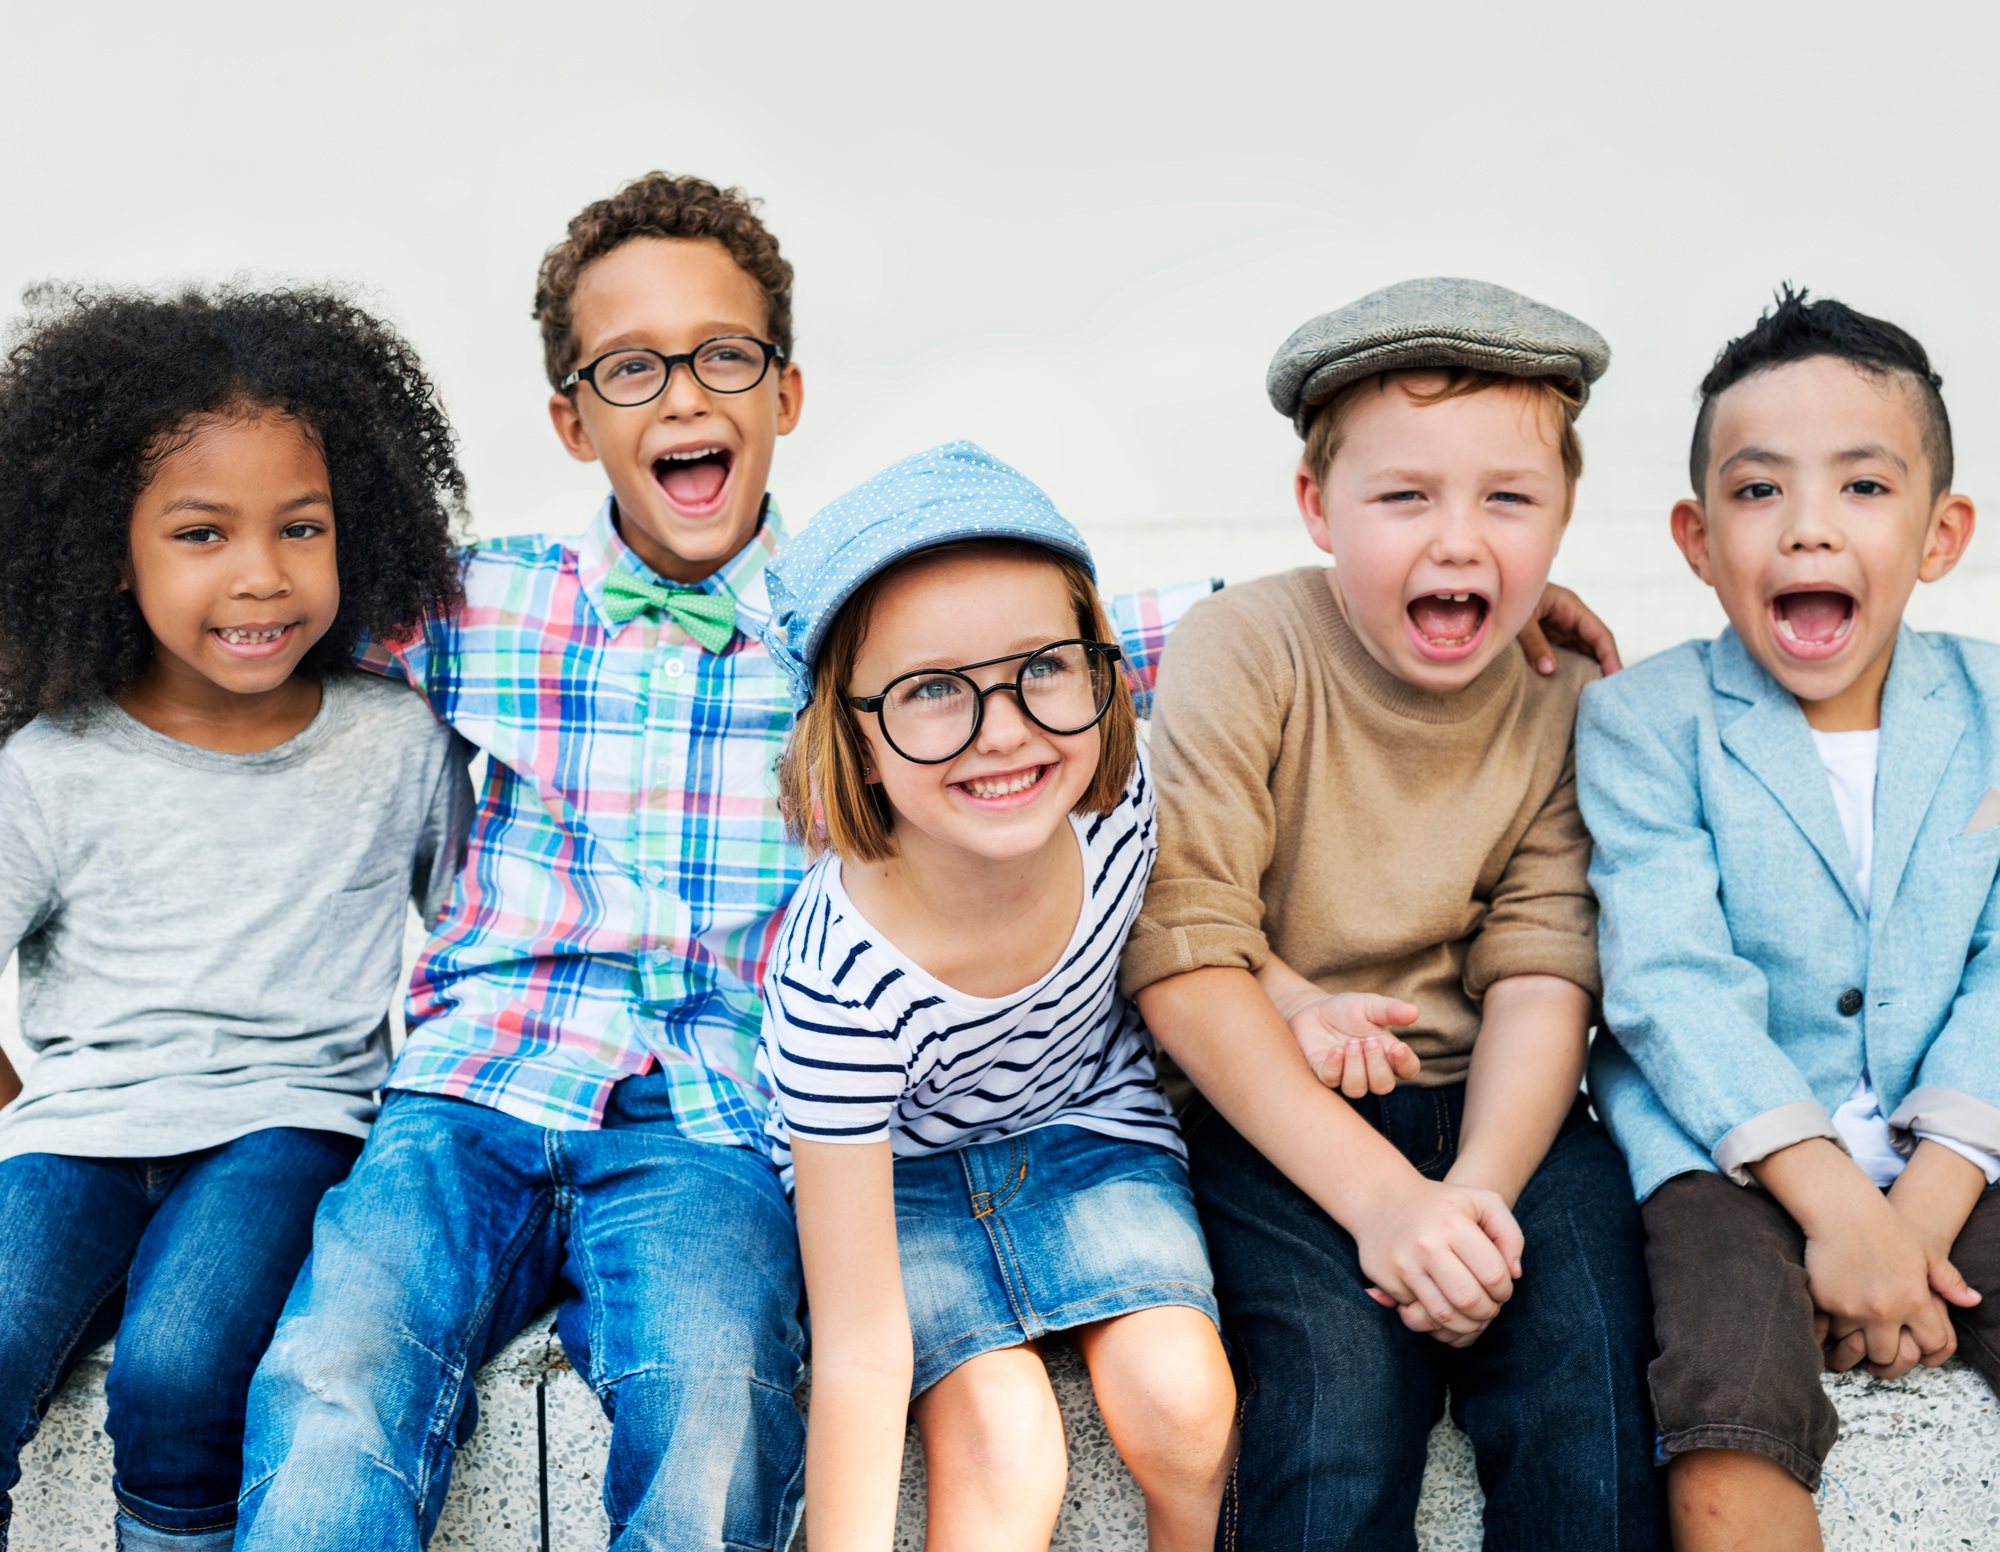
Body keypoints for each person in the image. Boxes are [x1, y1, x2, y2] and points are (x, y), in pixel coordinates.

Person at [230, 176, 1213, 1552]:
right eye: (632, 368)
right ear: (575, 420)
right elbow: (236, 607)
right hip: (473, 1087)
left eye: (724, 356)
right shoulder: (480, 600)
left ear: (784, 396)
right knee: (335, 1376)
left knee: (715, 1410)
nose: (684, 397)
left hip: (714, 1119)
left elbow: (1168, 633)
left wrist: (1445, 607)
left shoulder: (864, 624)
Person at [1125, 278, 1666, 1551]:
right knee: (1332, 1399)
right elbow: (1182, 947)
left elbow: (1544, 963)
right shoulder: (1244, 647)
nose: (1458, 540)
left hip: (1505, 1105)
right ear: (1316, 506)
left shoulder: (1563, 687)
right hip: (1273, 1108)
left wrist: (1471, 1196)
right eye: (1403, 495)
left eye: (1508, 498)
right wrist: (1382, 1204)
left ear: (1564, 519)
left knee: (1589, 1382)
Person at [0, 286, 471, 1552]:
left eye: (299, 527)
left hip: (290, 1124)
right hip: (82, 1125)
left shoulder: (395, 741)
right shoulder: (51, 764)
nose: (261, 574)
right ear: (112, 549)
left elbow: (478, 934)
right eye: (201, 532)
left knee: (178, 1365)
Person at [1578, 289, 2000, 1552]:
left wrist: (1910, 1218)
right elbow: (1666, 978)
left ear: (1939, 534)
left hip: (1956, 1143)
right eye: (1758, 492)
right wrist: (1830, 1206)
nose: (1807, 525)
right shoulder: (1643, 722)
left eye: (1863, 489)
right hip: (1728, 1148)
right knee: (1723, 1378)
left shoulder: (1988, 707)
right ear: (1695, 538)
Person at [759, 442, 1237, 1552]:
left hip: (1088, 1131)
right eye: (931, 690)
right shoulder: (837, 979)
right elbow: (863, 1342)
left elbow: (1274, 613)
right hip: (899, 1184)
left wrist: (1511, 610)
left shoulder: (1122, 816)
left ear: (1101, 668)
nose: (1004, 728)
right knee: (1003, 1444)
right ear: (854, 738)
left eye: (1040, 668)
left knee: (1185, 1403)